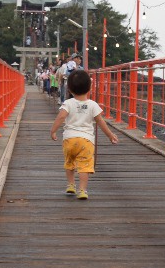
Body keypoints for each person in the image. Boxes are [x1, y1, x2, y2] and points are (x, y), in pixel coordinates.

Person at [50, 68, 118, 200]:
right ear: (90, 88)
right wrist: (110, 135)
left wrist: (53, 130)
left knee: (69, 162)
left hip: (69, 140)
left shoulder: (68, 103)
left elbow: (60, 117)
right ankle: (82, 190)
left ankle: (70, 185)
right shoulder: (92, 105)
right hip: (86, 141)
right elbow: (101, 122)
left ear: (69, 89)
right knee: (84, 166)